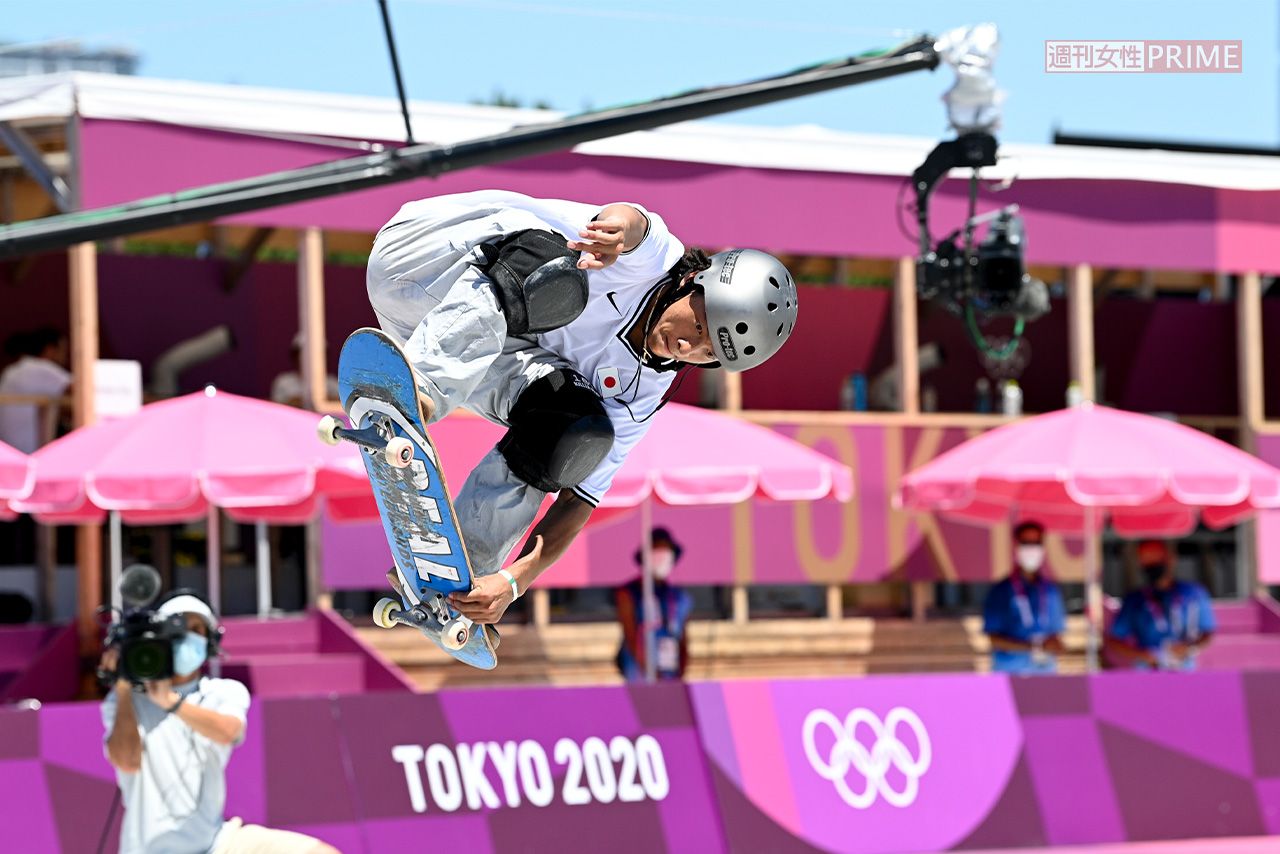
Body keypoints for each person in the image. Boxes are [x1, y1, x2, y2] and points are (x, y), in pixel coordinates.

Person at [366, 190, 797, 628]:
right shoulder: (655, 259)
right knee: (555, 271)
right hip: (423, 252)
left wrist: (514, 581)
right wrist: (615, 232)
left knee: (578, 428)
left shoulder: (641, 395)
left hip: (428, 328)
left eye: (708, 353)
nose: (688, 346)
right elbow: (633, 222)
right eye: (699, 325)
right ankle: (418, 391)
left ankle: (456, 575)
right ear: (694, 281)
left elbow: (579, 501)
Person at [101, 592, 338, 854]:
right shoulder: (125, 699)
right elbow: (126, 760)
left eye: (197, 629)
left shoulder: (224, 691)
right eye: (178, 628)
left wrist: (170, 701)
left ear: (211, 641)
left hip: (216, 843)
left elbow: (228, 731)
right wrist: (124, 685)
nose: (187, 636)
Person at [1106, 539, 1216, 671]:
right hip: (1148, 671)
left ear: (1171, 559)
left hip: (1184, 669)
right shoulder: (1135, 600)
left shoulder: (1194, 593)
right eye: (1146, 560)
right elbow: (1114, 639)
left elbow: (1207, 632)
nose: (1152, 565)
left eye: (1156, 559)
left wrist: (1190, 648)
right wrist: (1141, 655)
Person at [982, 521, 1067, 674]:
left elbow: (1056, 632)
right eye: (1026, 543)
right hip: (1010, 673)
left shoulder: (1051, 591)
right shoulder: (1001, 591)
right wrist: (1033, 647)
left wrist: (1056, 644)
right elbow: (994, 638)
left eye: (1036, 543)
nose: (1032, 548)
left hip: (1045, 672)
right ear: (1016, 546)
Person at [615, 527, 694, 682]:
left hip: (670, 671)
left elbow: (683, 638)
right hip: (639, 674)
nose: (662, 555)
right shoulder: (629, 593)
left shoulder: (678, 596)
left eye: (666, 550)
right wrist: (649, 669)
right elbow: (631, 636)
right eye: (657, 548)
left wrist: (681, 672)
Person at [0, 327, 71, 452]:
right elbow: (85, 390)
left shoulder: (11, 371)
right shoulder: (41, 369)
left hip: (8, 452)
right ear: (50, 349)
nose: (65, 357)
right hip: (29, 453)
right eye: (63, 350)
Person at [269, 332, 340, 408]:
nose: (311, 359)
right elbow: (274, 411)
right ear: (295, 357)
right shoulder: (283, 382)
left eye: (317, 354)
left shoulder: (332, 383)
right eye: (305, 354)